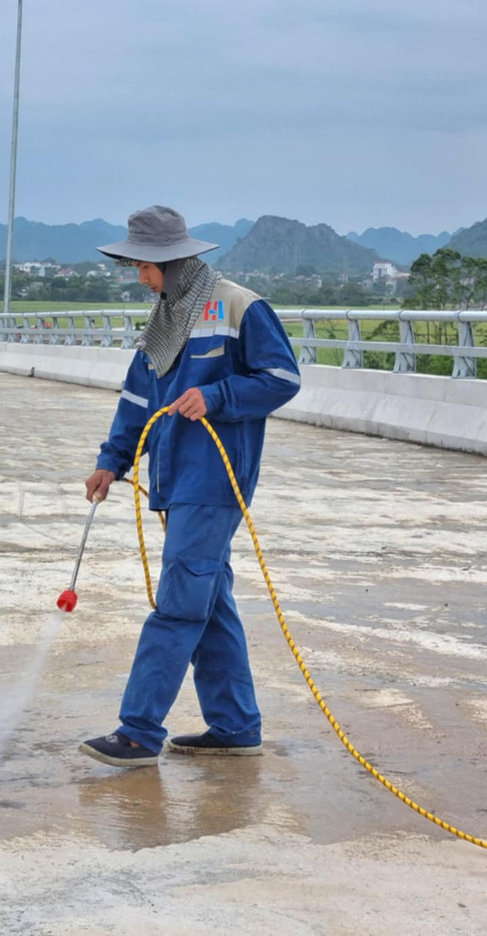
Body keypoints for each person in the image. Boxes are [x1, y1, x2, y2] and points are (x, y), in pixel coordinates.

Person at [79, 205, 302, 767]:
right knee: (210, 602)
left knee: (178, 605)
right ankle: (235, 725)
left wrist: (218, 396)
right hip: (175, 479)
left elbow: (281, 378)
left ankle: (138, 732)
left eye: (146, 266)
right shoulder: (162, 321)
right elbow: (137, 402)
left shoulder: (239, 306)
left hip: (216, 480)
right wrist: (112, 461)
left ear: (175, 262)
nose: (140, 276)